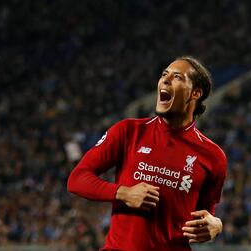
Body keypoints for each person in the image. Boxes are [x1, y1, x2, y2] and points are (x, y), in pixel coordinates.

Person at [67, 56, 227, 251]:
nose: (165, 80)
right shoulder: (128, 131)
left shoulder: (213, 156)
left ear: (195, 93)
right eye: (164, 75)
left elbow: (204, 215)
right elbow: (77, 179)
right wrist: (123, 193)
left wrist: (216, 226)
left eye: (177, 77)